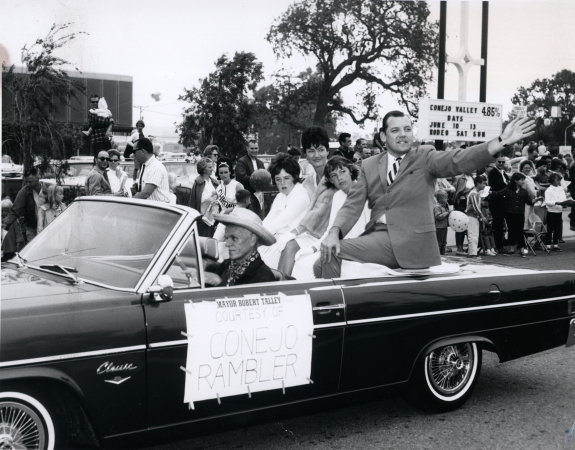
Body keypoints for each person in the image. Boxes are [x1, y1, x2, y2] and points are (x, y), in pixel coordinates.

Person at [314, 112, 536, 278]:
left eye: (407, 129)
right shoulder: (369, 165)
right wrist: (334, 232)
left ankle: (331, 318)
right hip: (379, 237)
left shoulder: (425, 156)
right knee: (321, 260)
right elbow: (352, 205)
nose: (403, 134)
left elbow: (459, 159)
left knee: (330, 255)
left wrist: (501, 142)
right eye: (395, 130)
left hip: (411, 241)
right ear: (383, 136)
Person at [277, 156, 352, 276]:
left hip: (338, 239)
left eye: (342, 171)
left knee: (316, 262)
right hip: (321, 235)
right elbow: (329, 229)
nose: (339, 177)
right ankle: (280, 284)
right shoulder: (336, 194)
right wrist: (313, 248)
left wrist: (296, 232)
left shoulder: (355, 192)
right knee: (290, 246)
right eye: (334, 175)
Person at [203, 208, 276, 287]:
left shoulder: (263, 278)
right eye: (226, 238)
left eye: (234, 238)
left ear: (252, 240)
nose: (227, 244)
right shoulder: (227, 264)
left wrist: (218, 282)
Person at [259, 157, 310, 269]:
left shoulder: (301, 195)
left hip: (296, 238)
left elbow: (278, 223)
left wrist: (256, 236)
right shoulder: (280, 196)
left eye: (286, 178)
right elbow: (268, 220)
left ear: (295, 177)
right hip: (278, 238)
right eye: (278, 179)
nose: (282, 183)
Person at [491, 172, 540, 257]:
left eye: (523, 180)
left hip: (520, 213)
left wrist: (535, 200)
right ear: (515, 180)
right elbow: (499, 193)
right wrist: (490, 192)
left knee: (520, 231)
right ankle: (511, 249)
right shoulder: (508, 189)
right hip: (509, 213)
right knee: (511, 231)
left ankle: (522, 249)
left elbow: (528, 201)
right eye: (521, 180)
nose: (523, 182)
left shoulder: (524, 191)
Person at [2, 168, 47, 244]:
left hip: (47, 226)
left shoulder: (49, 189)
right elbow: (15, 210)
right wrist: (5, 223)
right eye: (26, 182)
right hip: (31, 228)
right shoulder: (24, 192)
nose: (28, 184)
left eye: (30, 182)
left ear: (38, 178)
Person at [133, 137, 171, 203]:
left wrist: (129, 201)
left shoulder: (155, 167)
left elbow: (145, 194)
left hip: (159, 209)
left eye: (134, 151)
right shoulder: (146, 165)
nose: (133, 155)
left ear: (142, 151)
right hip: (151, 209)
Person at [190, 157, 219, 237]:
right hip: (203, 218)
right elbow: (200, 199)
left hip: (212, 217)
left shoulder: (212, 181)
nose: (212, 169)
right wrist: (212, 194)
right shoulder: (199, 182)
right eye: (209, 167)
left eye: (212, 167)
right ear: (203, 169)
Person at [544, 173, 574, 251]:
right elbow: (547, 202)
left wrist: (565, 203)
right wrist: (557, 203)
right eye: (557, 180)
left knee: (557, 228)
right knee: (550, 228)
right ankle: (548, 244)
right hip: (551, 211)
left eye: (559, 180)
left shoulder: (560, 189)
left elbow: (563, 198)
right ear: (552, 180)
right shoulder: (549, 190)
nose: (559, 181)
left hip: (559, 211)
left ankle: (555, 244)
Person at [488, 154, 510, 253]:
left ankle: (502, 242)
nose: (501, 163)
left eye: (503, 162)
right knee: (498, 225)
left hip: (503, 201)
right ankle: (498, 245)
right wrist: (507, 186)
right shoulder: (493, 172)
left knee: (502, 224)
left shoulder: (503, 172)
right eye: (499, 162)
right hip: (496, 202)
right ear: (495, 162)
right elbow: (498, 186)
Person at [300, 126, 330, 198]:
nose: (316, 155)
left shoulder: (337, 176)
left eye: (321, 150)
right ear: (305, 154)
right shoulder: (308, 183)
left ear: (327, 151)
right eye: (311, 151)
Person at [452, 171, 475, 255]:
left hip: (470, 202)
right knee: (460, 225)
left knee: (469, 225)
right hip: (461, 202)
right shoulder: (459, 178)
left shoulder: (472, 177)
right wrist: (468, 191)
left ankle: (470, 247)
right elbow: (454, 192)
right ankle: (459, 247)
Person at [465, 176, 488, 259]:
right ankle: (472, 254)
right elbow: (475, 206)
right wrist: (482, 216)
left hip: (474, 216)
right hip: (471, 216)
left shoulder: (476, 193)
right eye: (483, 183)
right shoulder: (473, 193)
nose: (485, 185)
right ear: (478, 183)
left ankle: (472, 252)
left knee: (474, 235)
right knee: (473, 235)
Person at [434, 189, 450, 256]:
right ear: (440, 199)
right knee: (439, 242)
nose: (447, 199)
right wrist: (447, 213)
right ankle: (438, 255)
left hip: (444, 226)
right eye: (445, 198)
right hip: (439, 227)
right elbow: (437, 216)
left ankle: (443, 254)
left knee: (444, 242)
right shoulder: (437, 207)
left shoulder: (444, 206)